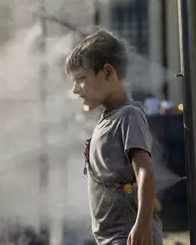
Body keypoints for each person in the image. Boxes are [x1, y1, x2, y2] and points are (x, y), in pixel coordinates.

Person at [65, 29, 163, 245]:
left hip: (127, 237)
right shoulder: (107, 119)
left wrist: (142, 225)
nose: (75, 89)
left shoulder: (128, 115)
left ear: (109, 73)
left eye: (81, 78)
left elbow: (144, 173)